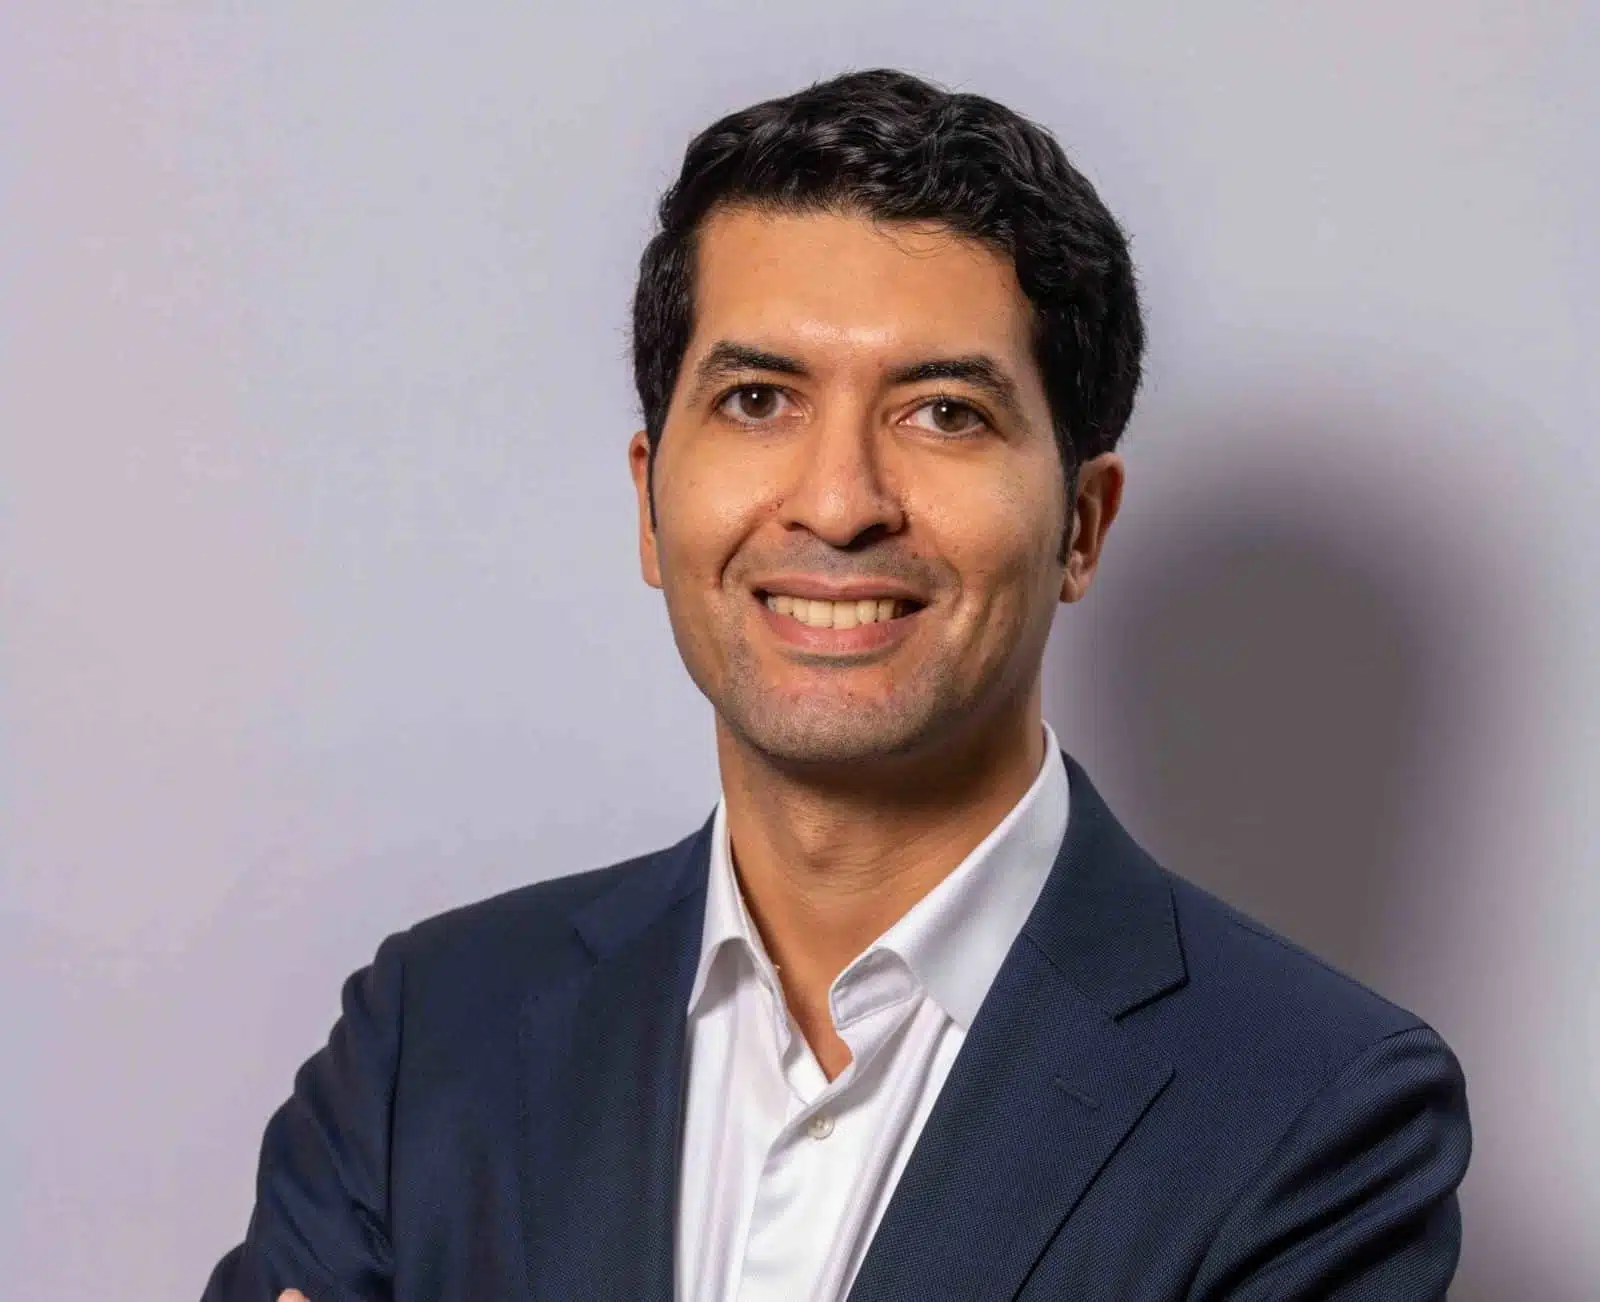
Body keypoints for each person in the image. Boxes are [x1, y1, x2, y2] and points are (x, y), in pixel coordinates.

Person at [202, 68, 1471, 1301]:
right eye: (757, 399)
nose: (837, 503)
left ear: (1081, 525)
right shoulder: (433, 1035)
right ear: (650, 502)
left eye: (943, 414)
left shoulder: (1319, 1114)